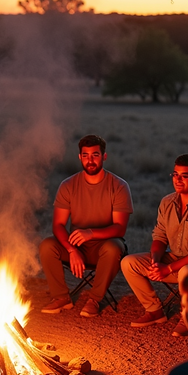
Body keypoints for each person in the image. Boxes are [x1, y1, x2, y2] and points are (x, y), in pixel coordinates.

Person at [120, 154, 188, 330]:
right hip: (176, 259)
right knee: (129, 262)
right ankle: (154, 311)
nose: (178, 180)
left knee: (185, 270)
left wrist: (168, 268)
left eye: (184, 176)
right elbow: (160, 236)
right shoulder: (167, 202)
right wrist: (156, 261)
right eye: (175, 174)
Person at [40, 134, 133, 318]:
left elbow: (119, 228)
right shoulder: (68, 185)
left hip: (105, 245)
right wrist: (71, 249)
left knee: (113, 248)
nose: (90, 160)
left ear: (104, 156)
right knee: (47, 245)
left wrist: (91, 233)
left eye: (95, 155)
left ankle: (94, 299)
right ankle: (61, 297)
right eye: (86, 155)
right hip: (76, 245)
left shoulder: (119, 186)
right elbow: (58, 224)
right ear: (80, 157)